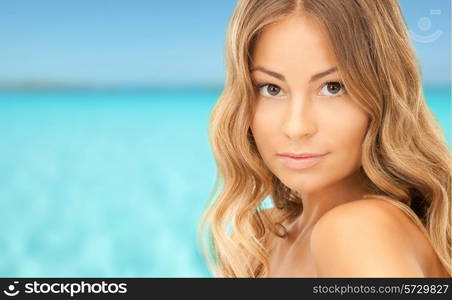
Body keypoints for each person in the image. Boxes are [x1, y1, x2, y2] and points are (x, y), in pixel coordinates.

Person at [198, 0, 451, 278]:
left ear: (383, 95)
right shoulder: (259, 240)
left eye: (333, 87)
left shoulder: (358, 231)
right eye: (271, 88)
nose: (296, 127)